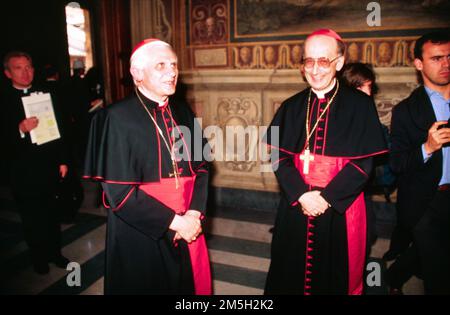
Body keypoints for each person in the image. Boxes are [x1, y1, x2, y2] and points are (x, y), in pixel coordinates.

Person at [263, 29, 387, 295]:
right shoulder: (291, 106)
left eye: (324, 61)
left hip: (339, 207)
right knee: (289, 273)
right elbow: (277, 156)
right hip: (297, 206)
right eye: (309, 61)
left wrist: (326, 198)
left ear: (339, 63)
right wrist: (302, 195)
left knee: (335, 276)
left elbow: (363, 164)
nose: (315, 69)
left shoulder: (360, 106)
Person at [83, 39, 212, 295]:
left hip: (187, 222)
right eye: (161, 65)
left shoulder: (182, 112)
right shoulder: (115, 118)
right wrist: (175, 222)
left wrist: (194, 215)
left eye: (174, 65)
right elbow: (119, 195)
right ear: (137, 74)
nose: (172, 72)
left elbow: (203, 167)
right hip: (141, 233)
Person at [386, 31, 450, 295]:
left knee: (433, 251)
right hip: (427, 201)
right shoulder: (405, 111)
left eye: (449, 57)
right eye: (436, 58)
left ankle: (393, 276)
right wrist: (428, 147)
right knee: (439, 274)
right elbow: (397, 164)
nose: (445, 64)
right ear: (419, 64)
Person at [0, 51, 70, 275]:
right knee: (32, 217)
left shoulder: (47, 92)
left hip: (49, 165)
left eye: (29, 67)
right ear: (8, 73)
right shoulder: (3, 100)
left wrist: (63, 160)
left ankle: (55, 253)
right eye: (19, 68)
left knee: (52, 213)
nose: (26, 72)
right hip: (22, 171)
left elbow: (60, 128)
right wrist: (19, 130)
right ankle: (39, 257)